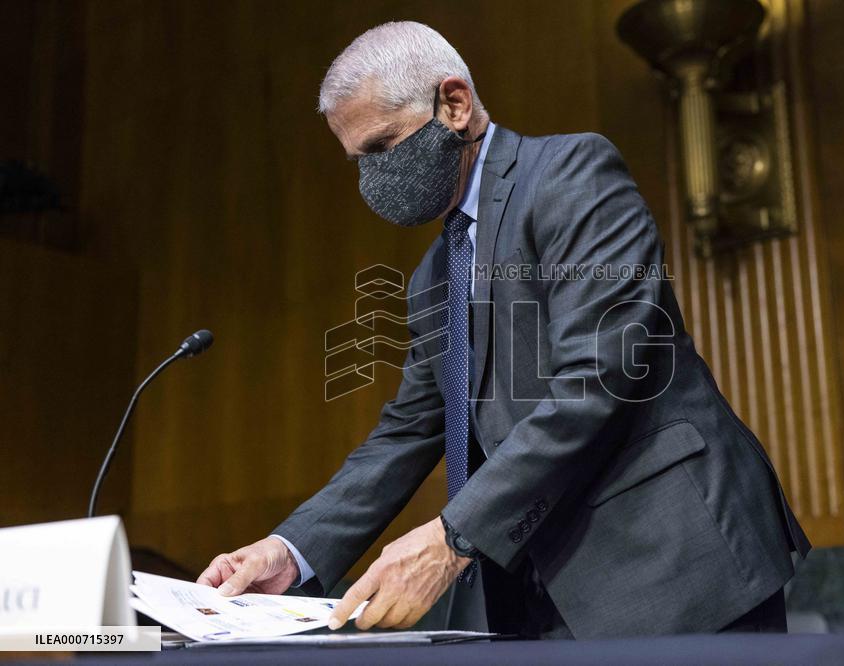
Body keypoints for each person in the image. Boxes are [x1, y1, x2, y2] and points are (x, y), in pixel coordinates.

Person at [197, 21, 810, 639]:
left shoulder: (572, 173)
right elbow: (408, 431)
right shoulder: (432, 275)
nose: (372, 180)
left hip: (674, 567)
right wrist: (291, 548)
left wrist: (450, 537)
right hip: (542, 598)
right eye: (358, 162)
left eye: (382, 147)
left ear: (455, 104)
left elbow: (602, 374)